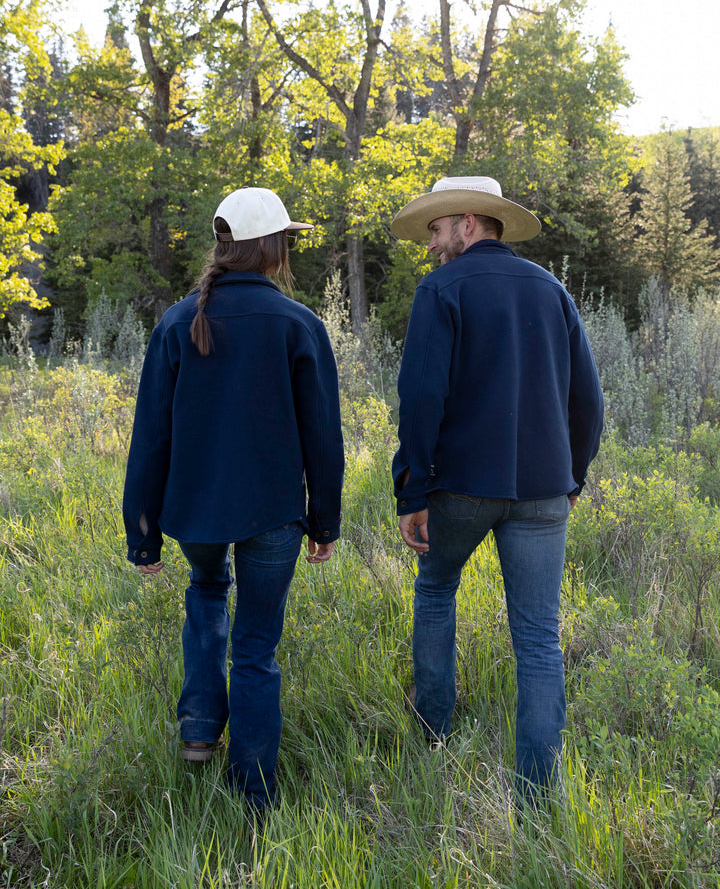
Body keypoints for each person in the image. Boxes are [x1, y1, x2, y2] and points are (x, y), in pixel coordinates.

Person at [123, 186, 344, 812]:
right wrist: (324, 521)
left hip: (194, 510)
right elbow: (323, 437)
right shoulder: (298, 324)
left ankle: (199, 727)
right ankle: (253, 791)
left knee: (206, 588)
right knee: (255, 648)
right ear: (272, 247)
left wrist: (143, 533)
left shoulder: (176, 321)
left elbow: (151, 436)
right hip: (274, 512)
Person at [390, 176, 603, 804]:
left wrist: (412, 491)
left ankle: (433, 734)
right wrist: (572, 476)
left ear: (468, 221)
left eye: (436, 229)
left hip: (460, 485)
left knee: (436, 590)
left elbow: (421, 399)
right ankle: (537, 798)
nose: (431, 243)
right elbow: (588, 401)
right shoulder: (552, 290)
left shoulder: (441, 289)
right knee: (538, 637)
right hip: (544, 490)